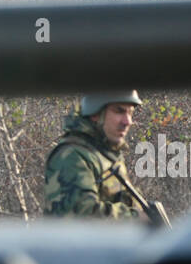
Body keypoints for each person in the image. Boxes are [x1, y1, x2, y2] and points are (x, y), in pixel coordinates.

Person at [44, 90, 145, 218]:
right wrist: (136, 218)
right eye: (119, 111)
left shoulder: (107, 155)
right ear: (96, 114)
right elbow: (81, 215)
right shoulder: (72, 156)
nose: (127, 121)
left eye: (130, 113)